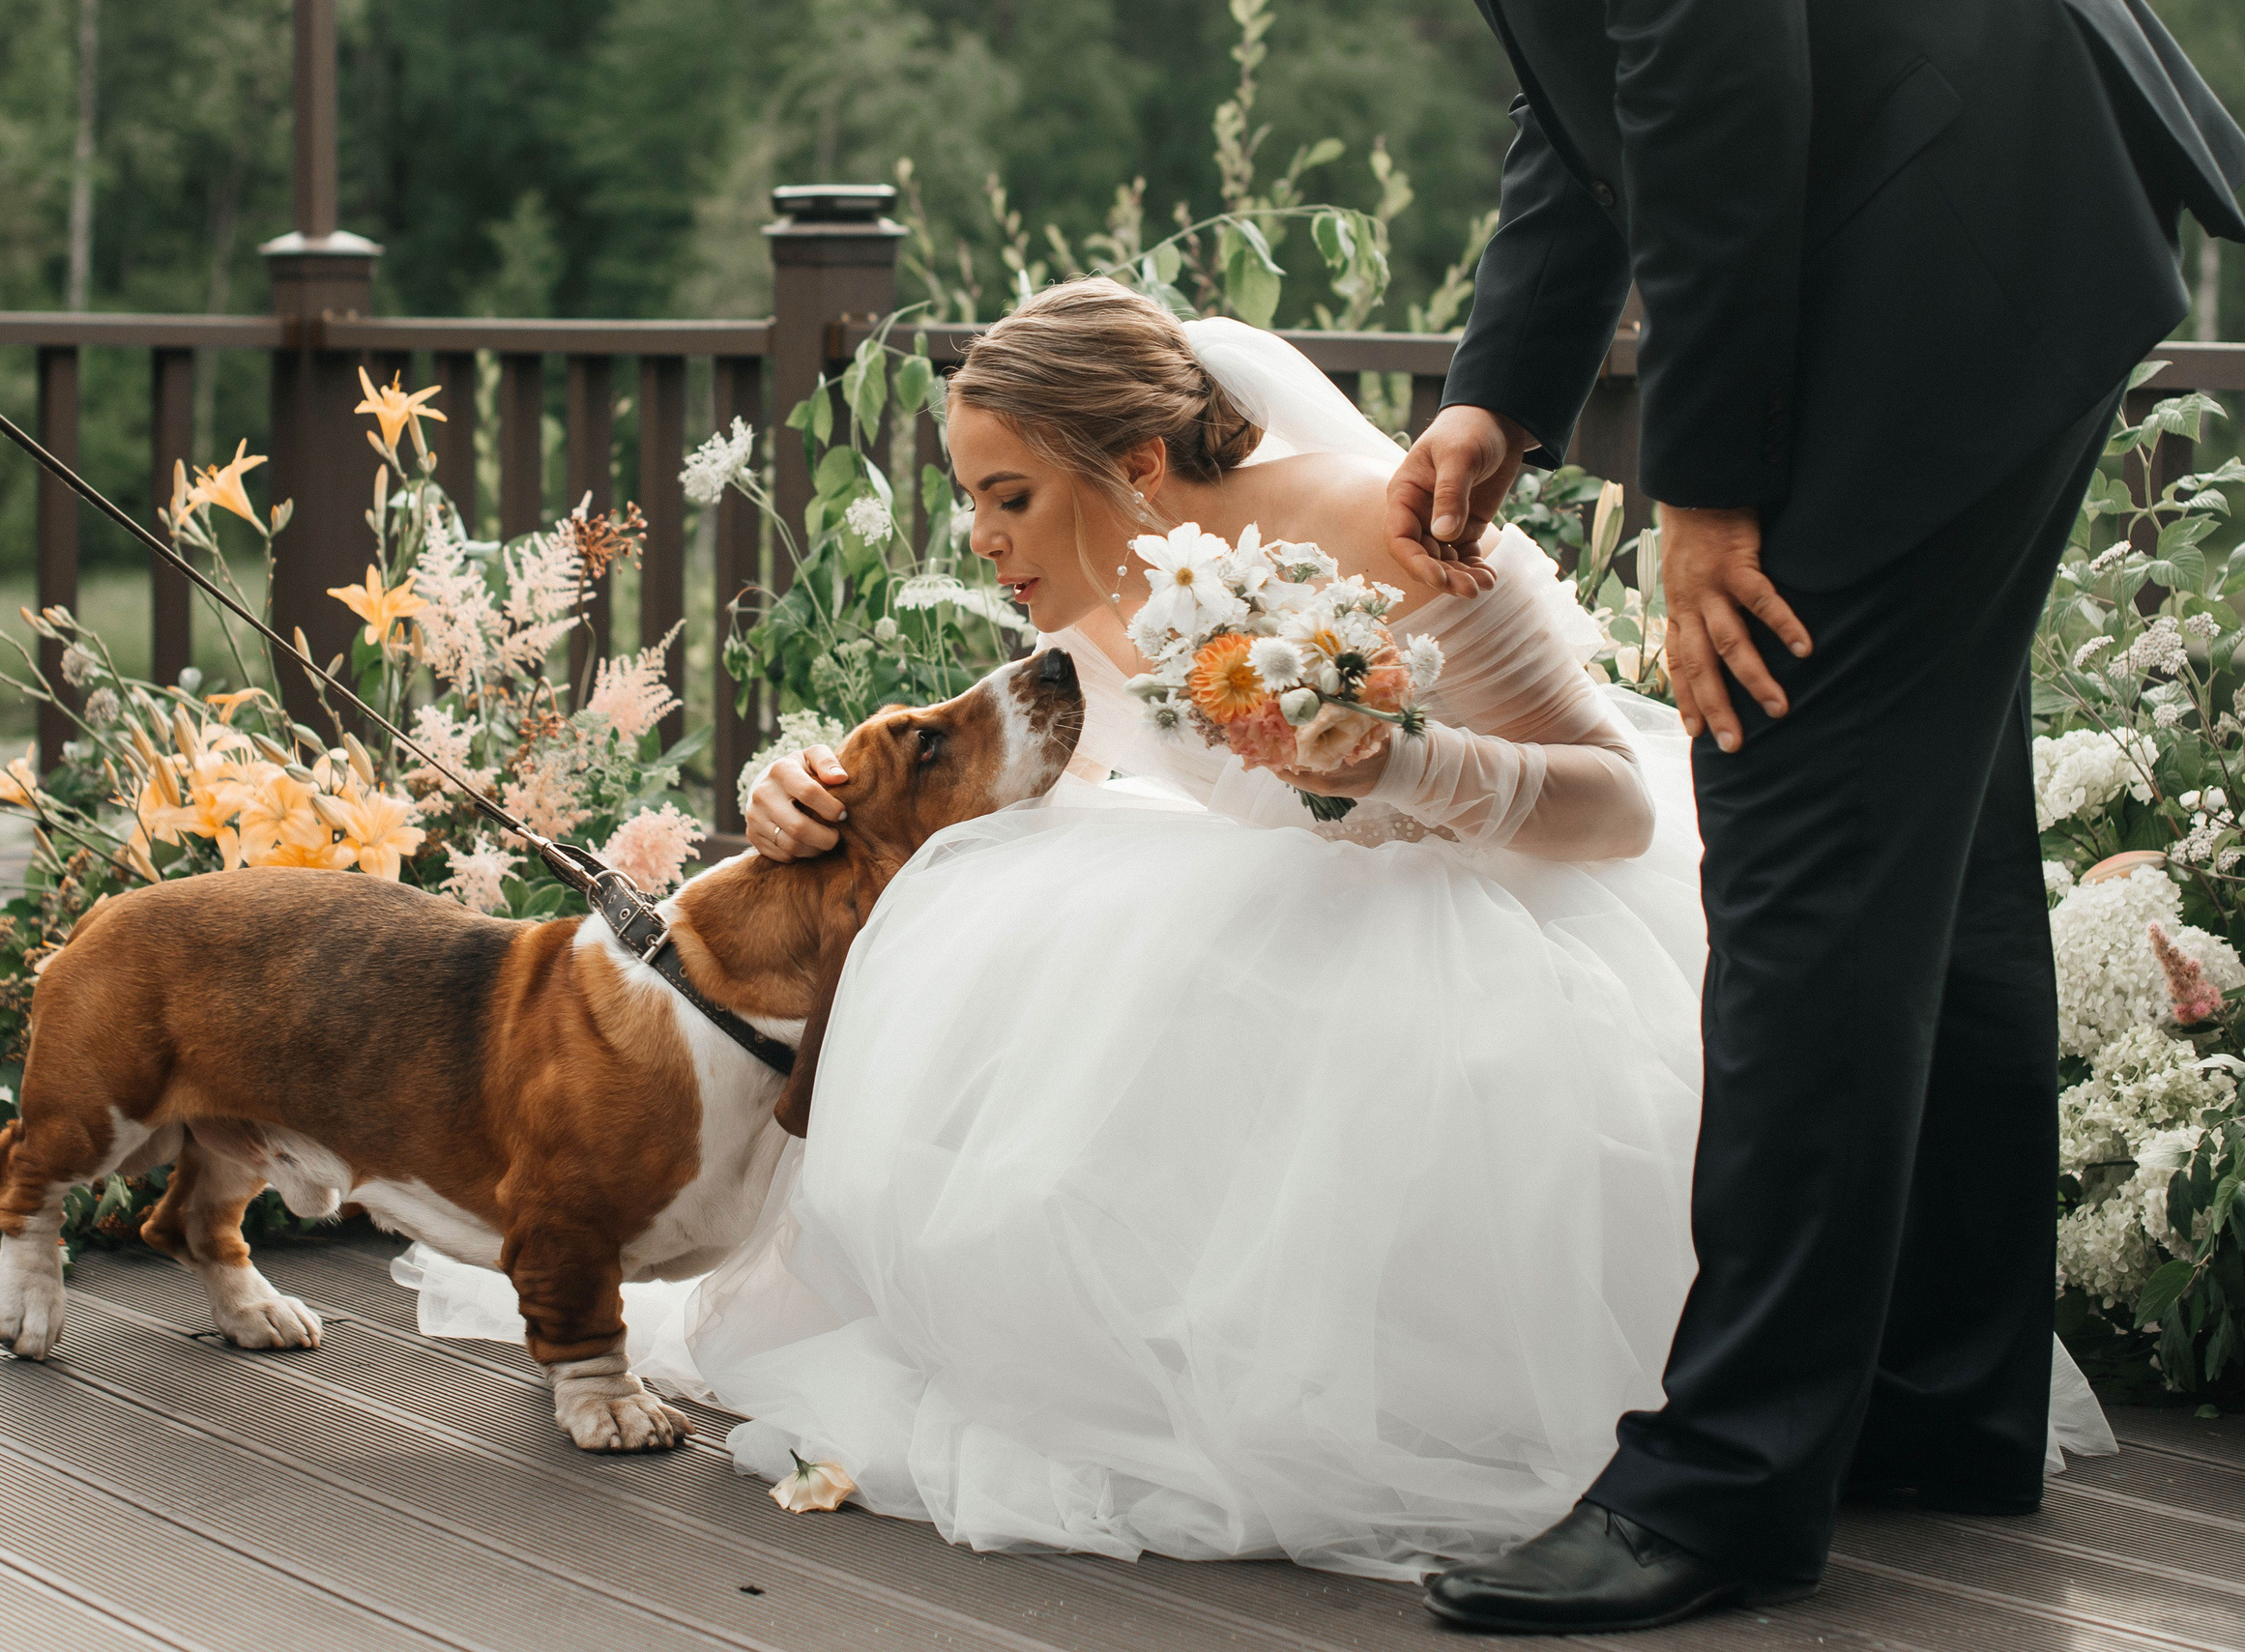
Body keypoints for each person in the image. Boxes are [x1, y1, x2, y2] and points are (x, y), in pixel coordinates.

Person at [399, 277, 2114, 1587]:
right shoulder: (1097, 584)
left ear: (1134, 465)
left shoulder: (1402, 536)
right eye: (973, 500)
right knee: (1026, 985)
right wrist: (800, 786)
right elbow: (1014, 751)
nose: (983, 539)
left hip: (1492, 928)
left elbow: (1615, 803)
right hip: (1235, 899)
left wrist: (1406, 764)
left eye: (1009, 498)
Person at [1378, 0, 2245, 1633]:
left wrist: (1709, 490)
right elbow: (1598, 69)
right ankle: (1940, 1395)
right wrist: (1506, 381)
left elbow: (1708, 71)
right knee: (1936, 830)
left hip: (1947, 217)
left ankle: (1725, 1479)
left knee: (1802, 828)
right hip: (1982, 190)